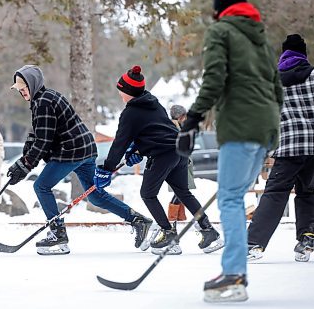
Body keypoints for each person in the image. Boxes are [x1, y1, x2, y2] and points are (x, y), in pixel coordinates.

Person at [176, 0, 282, 302]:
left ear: (220, 6)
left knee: (231, 199)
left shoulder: (221, 31)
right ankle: (235, 272)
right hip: (265, 129)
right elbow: (277, 88)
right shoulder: (262, 41)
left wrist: (192, 120)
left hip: (240, 127)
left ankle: (234, 276)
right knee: (235, 195)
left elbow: (214, 78)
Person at [7, 64, 152, 256]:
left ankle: (58, 235)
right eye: (19, 89)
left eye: (24, 87)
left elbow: (44, 141)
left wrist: (25, 164)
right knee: (95, 195)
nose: (22, 92)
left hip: (71, 152)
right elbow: (37, 134)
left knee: (41, 186)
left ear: (33, 84)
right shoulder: (43, 98)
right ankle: (138, 220)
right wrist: (26, 156)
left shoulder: (43, 102)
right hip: (85, 150)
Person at [93, 65, 223, 256]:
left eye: (121, 91)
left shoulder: (130, 113)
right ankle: (208, 231)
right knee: (183, 192)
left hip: (162, 155)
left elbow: (120, 143)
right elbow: (153, 132)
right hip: (178, 151)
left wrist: (107, 168)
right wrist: (137, 150)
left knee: (148, 194)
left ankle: (168, 233)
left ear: (129, 92)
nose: (120, 94)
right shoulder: (154, 103)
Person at [246, 34, 314, 263]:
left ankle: (253, 243)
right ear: (304, 54)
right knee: (306, 191)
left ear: (283, 54)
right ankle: (307, 235)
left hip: (290, 146)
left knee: (275, 192)